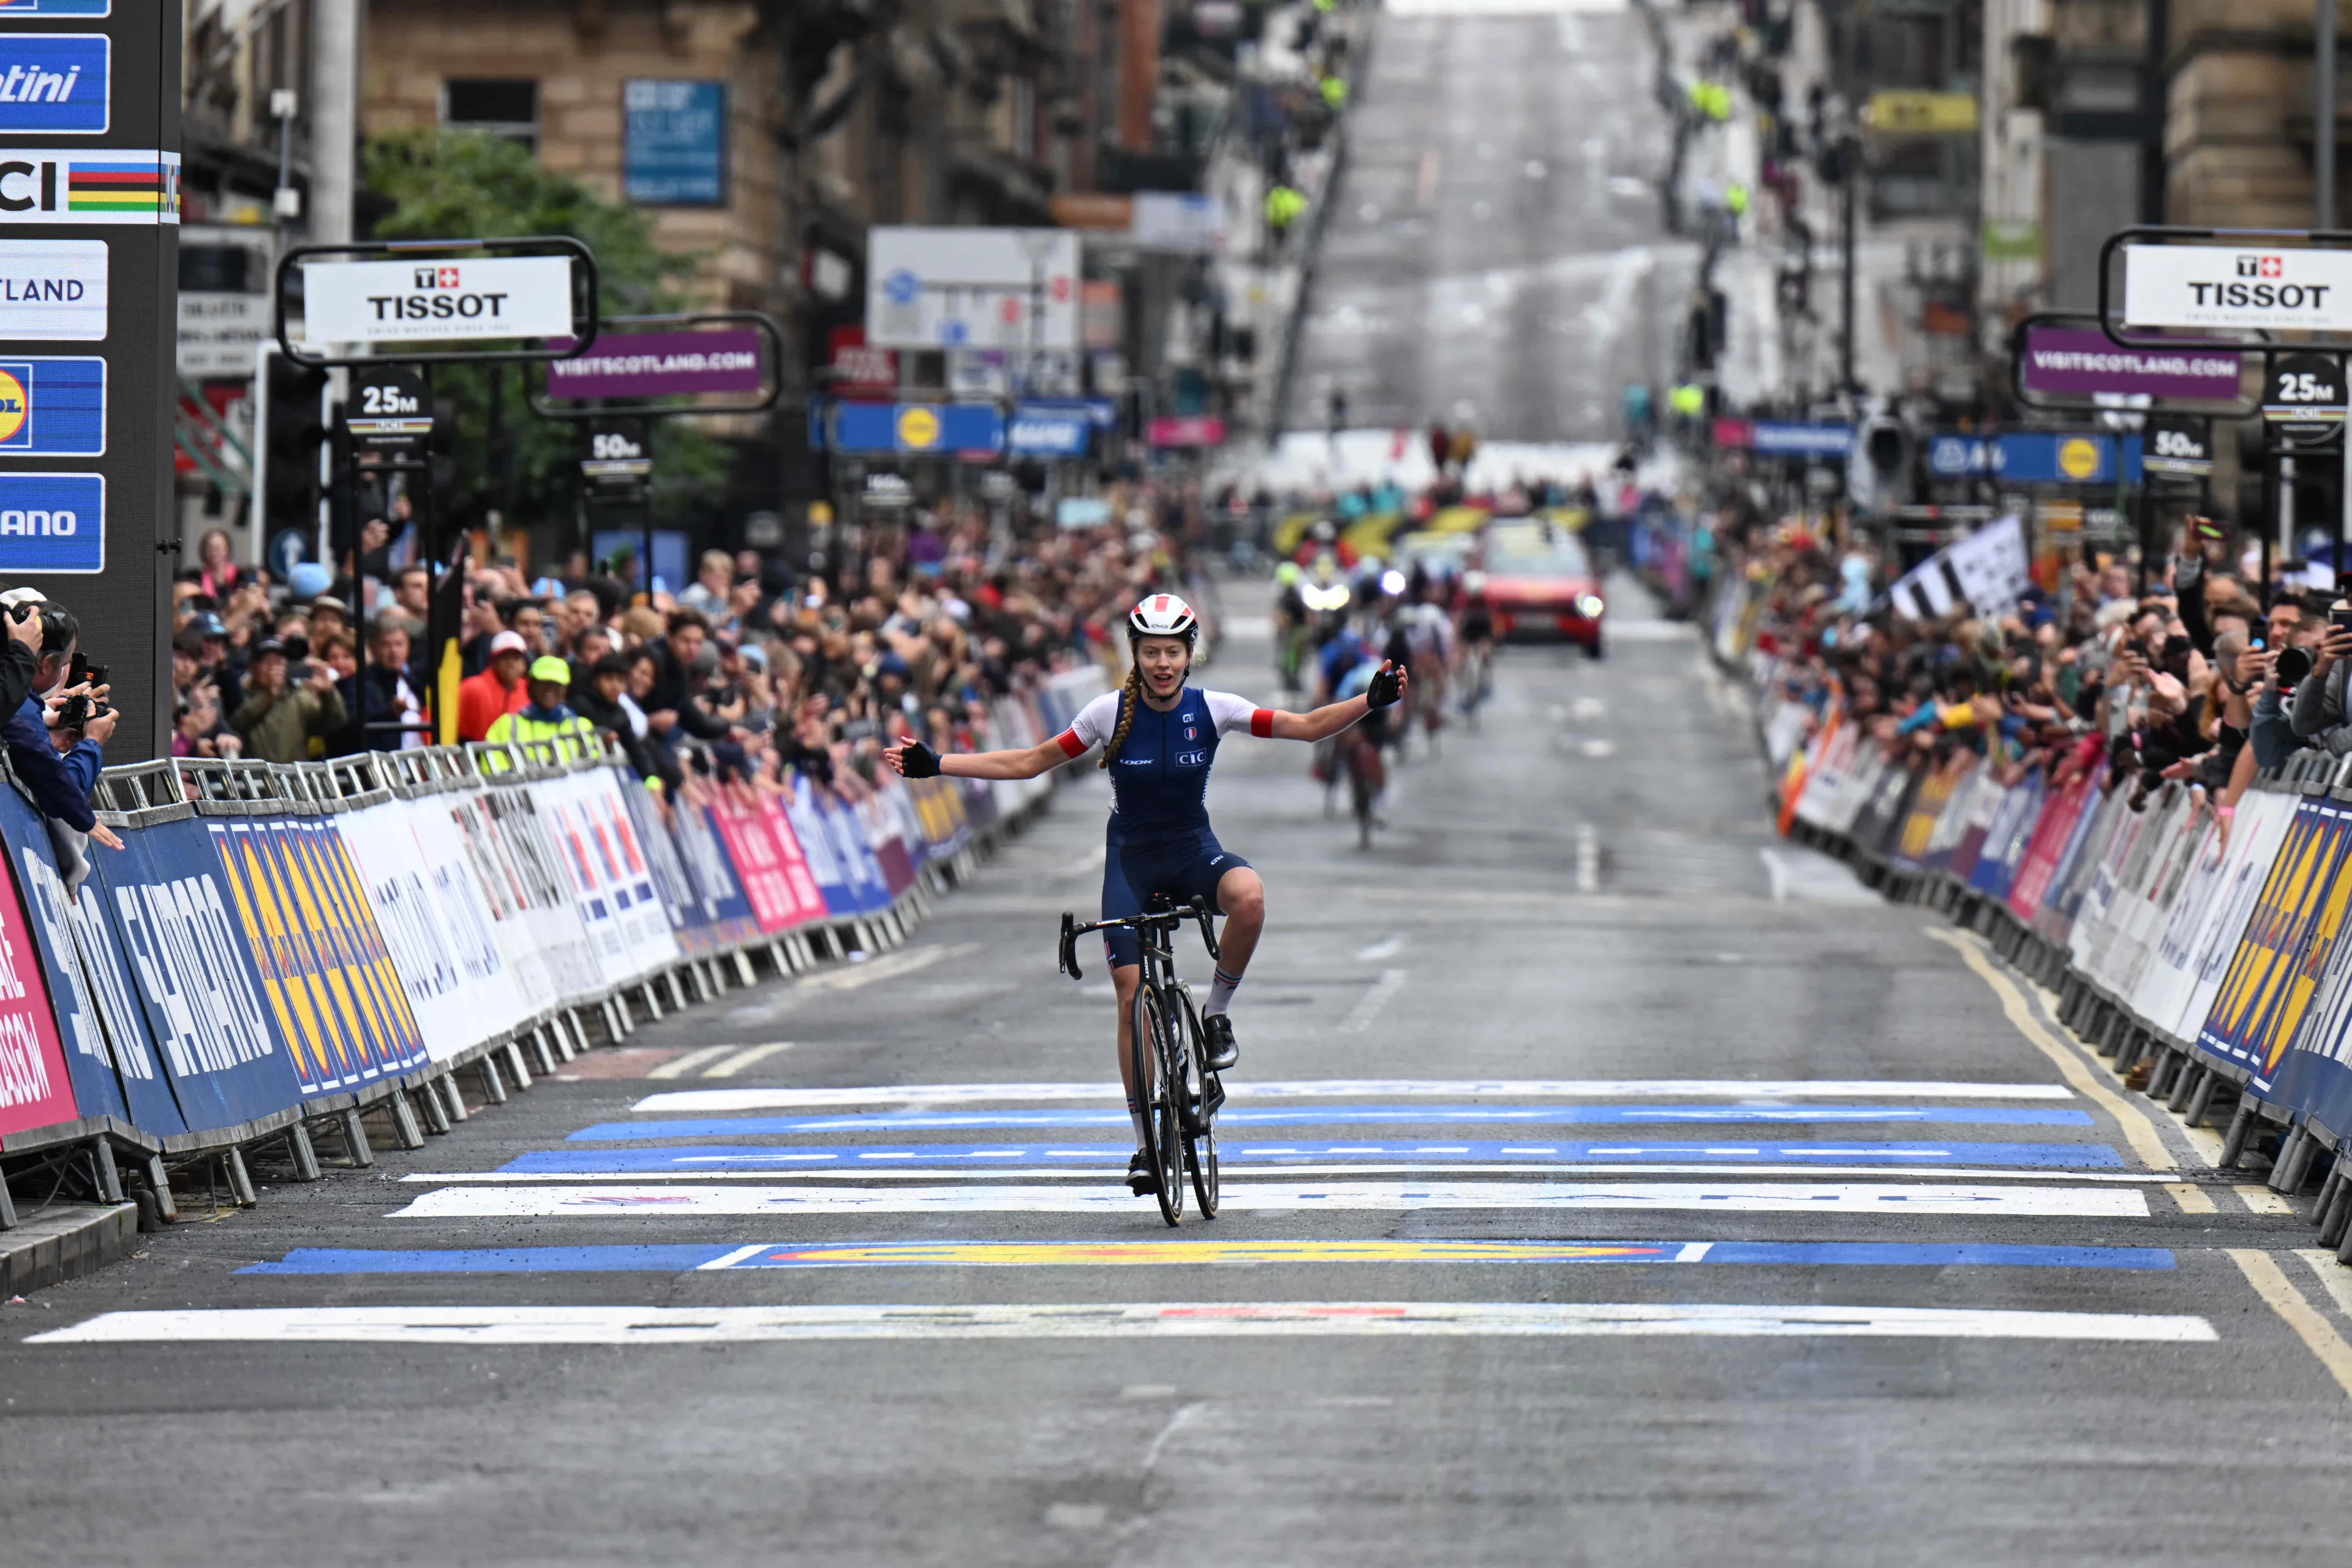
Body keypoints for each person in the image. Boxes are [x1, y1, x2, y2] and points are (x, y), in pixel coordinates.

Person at [884, 594, 1407, 1199]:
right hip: (1130, 862)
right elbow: (1031, 761)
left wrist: (1370, 702)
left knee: (1251, 897)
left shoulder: (1215, 709)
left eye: (1173, 652)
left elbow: (1306, 726)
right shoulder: (1107, 713)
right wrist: (938, 762)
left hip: (1192, 852)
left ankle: (1214, 1014)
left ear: (1190, 655)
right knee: (1130, 995)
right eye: (1151, 652)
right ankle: (1143, 1143)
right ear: (1135, 654)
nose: (1162, 663)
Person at [232, 637, 346, 764]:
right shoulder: (241, 694)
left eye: (278, 662)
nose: (272, 668)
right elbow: (237, 724)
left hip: (294, 778)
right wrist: (268, 697)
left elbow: (335, 722)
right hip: (256, 780)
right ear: (252, 667)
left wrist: (329, 693)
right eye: (266, 662)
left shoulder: (298, 698)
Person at [484, 656, 597, 749]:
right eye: (544, 683)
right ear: (531, 686)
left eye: (557, 684)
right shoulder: (507, 725)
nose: (550, 689)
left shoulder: (581, 727)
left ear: (566, 690)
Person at [458, 629, 532, 741]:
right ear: (493, 662)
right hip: (474, 753)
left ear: (524, 665)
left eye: (516, 658)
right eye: (504, 657)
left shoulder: (530, 691)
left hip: (517, 754)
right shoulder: (472, 688)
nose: (510, 663)